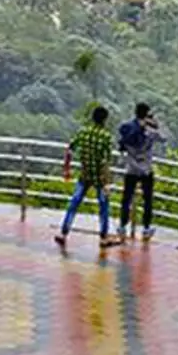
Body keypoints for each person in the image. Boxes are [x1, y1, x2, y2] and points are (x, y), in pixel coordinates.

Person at [55, 106, 123, 248]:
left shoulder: (83, 132)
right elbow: (105, 162)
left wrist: (66, 169)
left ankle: (63, 233)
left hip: (84, 174)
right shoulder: (106, 137)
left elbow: (69, 149)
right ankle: (103, 238)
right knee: (103, 207)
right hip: (99, 178)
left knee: (74, 203)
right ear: (105, 120)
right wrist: (106, 183)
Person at [117, 102, 167, 241]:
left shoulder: (127, 129)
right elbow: (164, 138)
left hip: (131, 169)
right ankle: (145, 228)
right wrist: (156, 124)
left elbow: (121, 143)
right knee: (147, 200)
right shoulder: (150, 133)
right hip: (146, 170)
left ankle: (122, 226)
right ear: (147, 115)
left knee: (126, 199)